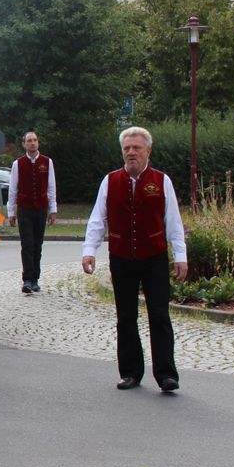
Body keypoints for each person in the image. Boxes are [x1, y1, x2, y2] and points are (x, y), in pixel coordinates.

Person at [82, 127, 187, 393]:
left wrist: (180, 255)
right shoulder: (110, 181)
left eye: (136, 148)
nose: (131, 153)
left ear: (148, 151)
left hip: (153, 257)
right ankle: (130, 372)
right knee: (125, 317)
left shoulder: (161, 180)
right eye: (127, 148)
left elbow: (173, 221)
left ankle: (165, 375)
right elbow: (97, 219)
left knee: (159, 315)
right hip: (121, 257)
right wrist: (89, 250)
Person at [7, 131, 57, 293]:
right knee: (27, 244)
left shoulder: (47, 162)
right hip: (24, 209)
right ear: (24, 144)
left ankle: (36, 278)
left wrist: (53, 209)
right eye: (29, 141)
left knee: (38, 245)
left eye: (35, 140)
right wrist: (11, 212)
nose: (32, 143)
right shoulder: (18, 164)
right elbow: (13, 189)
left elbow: (51, 188)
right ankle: (27, 279)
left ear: (38, 143)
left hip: (41, 208)